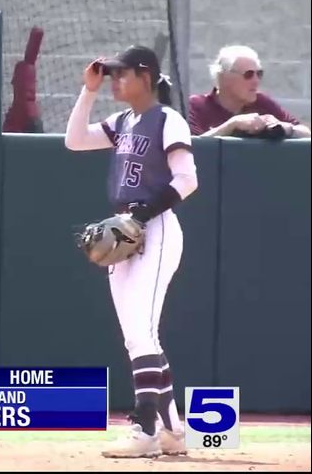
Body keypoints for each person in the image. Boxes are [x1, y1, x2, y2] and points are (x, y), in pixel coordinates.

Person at [64, 45, 198, 458]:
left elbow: (187, 179)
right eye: (112, 74)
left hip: (154, 230)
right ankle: (174, 432)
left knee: (141, 333)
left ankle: (145, 430)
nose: (115, 80)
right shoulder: (123, 120)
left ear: (146, 75)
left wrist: (144, 213)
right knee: (139, 337)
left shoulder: (167, 119)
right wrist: (88, 91)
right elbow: (74, 141)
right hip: (126, 231)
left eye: (121, 74)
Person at [188, 45, 310, 138]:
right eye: (248, 74)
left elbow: (306, 133)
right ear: (224, 77)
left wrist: (284, 128)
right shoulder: (196, 105)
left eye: (259, 74)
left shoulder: (262, 102)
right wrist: (232, 125)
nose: (256, 81)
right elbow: (192, 147)